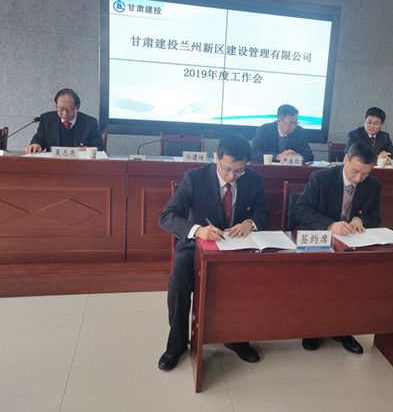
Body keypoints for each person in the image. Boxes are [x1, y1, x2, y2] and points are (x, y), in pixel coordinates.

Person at [158, 134, 270, 371]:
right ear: (216, 158)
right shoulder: (195, 178)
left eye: (239, 171)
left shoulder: (252, 179)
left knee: (253, 279)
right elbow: (167, 216)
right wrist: (198, 230)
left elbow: (263, 213)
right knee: (178, 281)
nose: (232, 176)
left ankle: (237, 338)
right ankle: (177, 343)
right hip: (196, 247)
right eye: (227, 169)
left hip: (237, 248)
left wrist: (250, 223)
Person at [293, 141, 381, 354]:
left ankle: (344, 330)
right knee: (318, 281)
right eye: (355, 171)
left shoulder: (373, 185)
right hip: (318, 240)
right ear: (345, 160)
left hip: (350, 244)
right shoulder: (321, 178)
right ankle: (312, 329)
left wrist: (361, 220)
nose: (358, 178)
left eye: (365, 174)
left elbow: (375, 216)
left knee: (352, 283)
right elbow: (300, 209)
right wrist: (330, 225)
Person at [25, 88, 105, 153]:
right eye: (61, 109)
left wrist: (87, 150)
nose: (65, 113)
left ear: (77, 107)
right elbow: (38, 139)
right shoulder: (46, 119)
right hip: (53, 164)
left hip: (80, 165)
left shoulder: (90, 122)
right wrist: (35, 145)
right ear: (56, 106)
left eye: (70, 109)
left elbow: (100, 148)